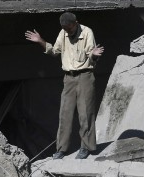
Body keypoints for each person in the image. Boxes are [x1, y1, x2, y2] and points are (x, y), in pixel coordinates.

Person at [25, 12, 104, 159]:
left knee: (85, 114)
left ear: (76, 23)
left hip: (84, 76)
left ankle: (86, 147)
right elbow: (54, 51)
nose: (68, 31)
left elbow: (91, 57)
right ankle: (61, 149)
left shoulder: (87, 32)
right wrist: (40, 40)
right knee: (64, 114)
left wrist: (94, 54)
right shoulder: (63, 32)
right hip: (69, 78)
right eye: (65, 29)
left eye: (70, 29)